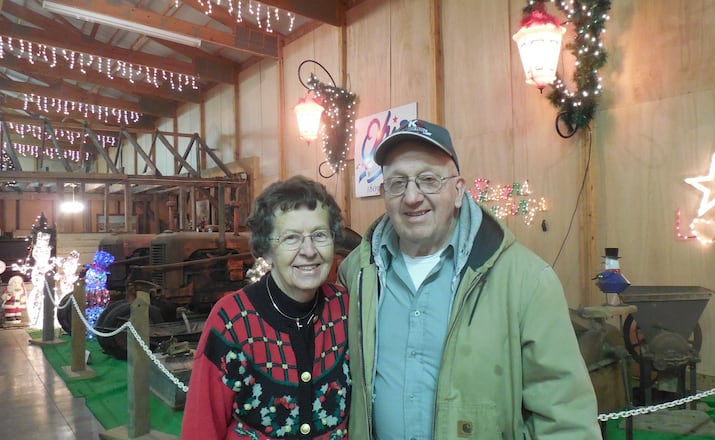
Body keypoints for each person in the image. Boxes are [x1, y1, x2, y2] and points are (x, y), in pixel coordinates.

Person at [338, 119, 602, 439]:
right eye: (397, 183)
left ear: (458, 190)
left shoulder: (526, 282)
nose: (411, 197)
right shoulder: (355, 274)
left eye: (428, 180)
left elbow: (565, 418)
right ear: (384, 193)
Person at [182, 176, 350, 439]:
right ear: (267, 251)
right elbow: (201, 429)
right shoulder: (232, 320)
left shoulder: (346, 307)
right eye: (291, 238)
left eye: (319, 235)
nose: (309, 251)